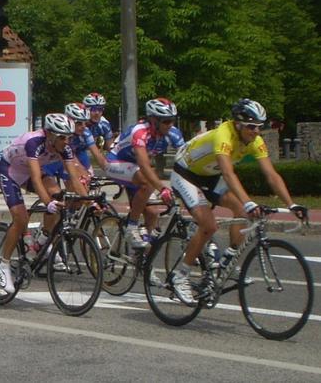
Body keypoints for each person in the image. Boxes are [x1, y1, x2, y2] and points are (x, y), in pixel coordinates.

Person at [169, 99, 307, 304]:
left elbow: (271, 175)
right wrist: (249, 201)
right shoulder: (224, 135)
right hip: (187, 173)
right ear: (239, 124)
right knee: (209, 225)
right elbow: (228, 172)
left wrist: (291, 204)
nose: (256, 132)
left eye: (260, 127)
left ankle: (227, 262)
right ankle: (180, 276)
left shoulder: (255, 141)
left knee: (241, 210)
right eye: (252, 127)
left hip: (210, 176)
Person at [0, 113, 85, 293]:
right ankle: (3, 265)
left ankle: (40, 241)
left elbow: (74, 179)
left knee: (57, 195)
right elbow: (36, 179)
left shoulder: (64, 147)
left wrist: (91, 203)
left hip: (27, 172)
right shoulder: (33, 142)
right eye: (62, 137)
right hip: (10, 172)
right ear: (50, 135)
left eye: (68, 137)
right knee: (20, 218)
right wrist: (47, 203)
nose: (66, 141)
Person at [104, 98, 183, 249]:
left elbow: (186, 160)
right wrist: (163, 189)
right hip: (116, 163)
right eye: (166, 121)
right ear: (153, 120)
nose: (170, 125)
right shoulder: (140, 131)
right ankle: (131, 226)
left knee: (153, 213)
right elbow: (144, 165)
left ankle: (143, 263)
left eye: (172, 120)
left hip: (135, 170)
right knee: (147, 181)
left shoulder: (173, 134)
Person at [44, 102, 109, 191]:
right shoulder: (62, 136)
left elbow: (97, 154)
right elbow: (72, 160)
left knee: (88, 184)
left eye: (85, 123)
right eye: (79, 123)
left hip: (77, 155)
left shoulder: (86, 132)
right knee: (72, 186)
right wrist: (82, 173)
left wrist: (112, 173)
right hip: (56, 158)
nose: (83, 127)